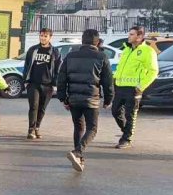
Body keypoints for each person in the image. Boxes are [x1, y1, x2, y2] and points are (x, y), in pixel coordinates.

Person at [56, 29, 114, 172]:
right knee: (92, 128)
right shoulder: (101, 57)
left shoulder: (70, 56)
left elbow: (61, 78)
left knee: (78, 127)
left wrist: (63, 98)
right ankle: (78, 152)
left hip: (74, 99)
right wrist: (108, 99)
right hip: (91, 98)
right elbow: (108, 82)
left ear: (82, 41)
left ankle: (79, 158)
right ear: (98, 42)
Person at [111, 25, 158, 149]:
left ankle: (126, 138)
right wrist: (115, 78)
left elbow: (153, 71)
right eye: (129, 34)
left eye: (132, 34)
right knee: (115, 111)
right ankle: (126, 131)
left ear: (140, 36)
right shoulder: (126, 49)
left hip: (134, 88)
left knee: (130, 114)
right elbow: (121, 67)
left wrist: (141, 86)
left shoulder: (148, 51)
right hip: (120, 86)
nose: (129, 36)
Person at [22, 27, 61, 140]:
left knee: (42, 108)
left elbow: (58, 68)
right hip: (33, 83)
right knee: (33, 106)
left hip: (48, 85)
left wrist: (55, 84)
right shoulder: (33, 50)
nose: (43, 38)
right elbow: (27, 65)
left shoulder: (55, 51)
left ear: (50, 37)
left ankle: (37, 127)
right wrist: (26, 80)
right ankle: (31, 129)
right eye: (41, 35)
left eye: (45, 36)